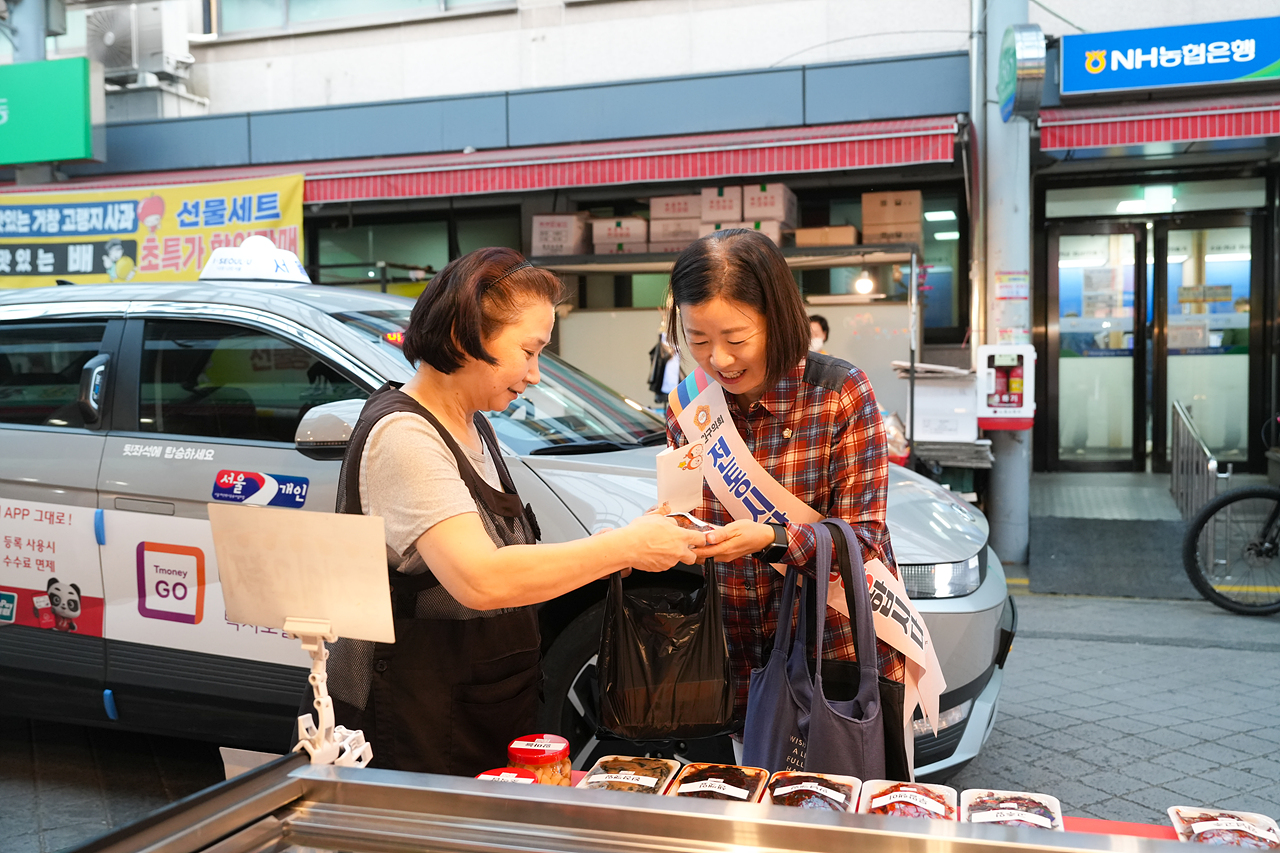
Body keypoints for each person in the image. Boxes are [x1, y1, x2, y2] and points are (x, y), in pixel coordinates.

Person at [323, 247, 705, 776]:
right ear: (463, 336)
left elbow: (512, 561)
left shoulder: (473, 423)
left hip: (478, 709)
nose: (535, 374)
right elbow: (480, 579)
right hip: (413, 726)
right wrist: (625, 546)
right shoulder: (405, 436)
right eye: (529, 351)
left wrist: (619, 548)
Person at [664, 229, 905, 730]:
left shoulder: (839, 393)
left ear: (779, 318)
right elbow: (682, 512)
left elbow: (863, 540)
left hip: (832, 656)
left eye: (736, 339)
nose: (719, 360)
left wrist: (772, 539)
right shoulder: (690, 406)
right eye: (699, 340)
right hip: (732, 654)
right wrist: (656, 534)